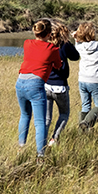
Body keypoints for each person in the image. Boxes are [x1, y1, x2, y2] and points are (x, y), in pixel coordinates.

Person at [16, 19, 62, 157]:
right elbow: (58, 65)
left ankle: (20, 148)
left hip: (20, 82)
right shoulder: (53, 49)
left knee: (25, 115)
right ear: (49, 34)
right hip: (36, 84)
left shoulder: (27, 43)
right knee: (40, 122)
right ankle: (40, 155)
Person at [43, 22, 79, 146]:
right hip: (60, 86)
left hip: (46, 85)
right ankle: (54, 138)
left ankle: (42, 140)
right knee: (64, 114)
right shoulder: (64, 45)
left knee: (47, 118)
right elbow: (75, 56)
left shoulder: (45, 45)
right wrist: (70, 41)